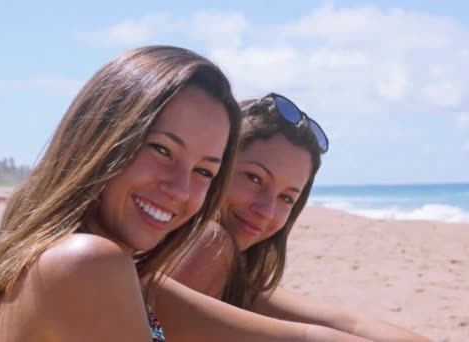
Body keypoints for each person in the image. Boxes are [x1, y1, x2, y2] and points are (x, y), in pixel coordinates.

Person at [0, 45, 243, 342]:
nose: (180, 190)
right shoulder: (88, 262)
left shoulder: (78, 259)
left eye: (204, 172)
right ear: (104, 137)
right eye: (162, 150)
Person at [167, 93, 432, 342]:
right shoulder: (210, 244)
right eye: (254, 178)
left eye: (286, 198)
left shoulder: (233, 273)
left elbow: (349, 323)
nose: (266, 209)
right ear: (215, 165)